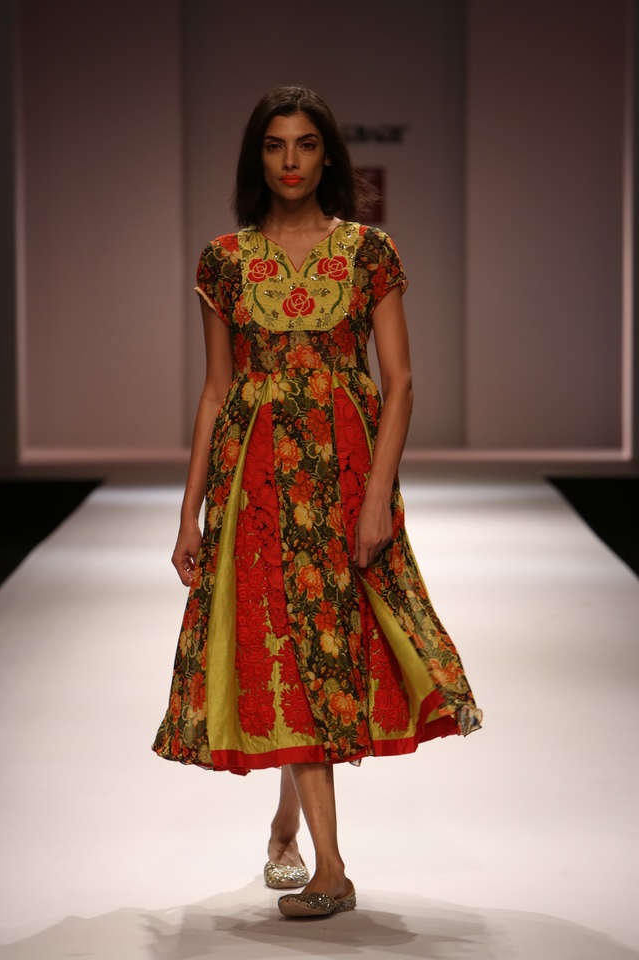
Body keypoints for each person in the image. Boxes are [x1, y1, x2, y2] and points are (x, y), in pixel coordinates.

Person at [152, 86, 482, 919]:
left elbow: (400, 382)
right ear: (257, 157)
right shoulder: (224, 260)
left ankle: (286, 827)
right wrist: (189, 509)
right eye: (275, 145)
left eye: (304, 144)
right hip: (257, 474)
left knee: (331, 645)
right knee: (294, 646)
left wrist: (377, 499)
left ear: (326, 154)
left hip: (344, 471)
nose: (290, 160)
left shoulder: (369, 252)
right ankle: (330, 868)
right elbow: (216, 390)